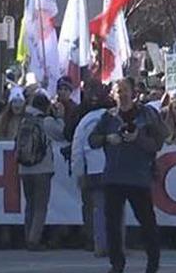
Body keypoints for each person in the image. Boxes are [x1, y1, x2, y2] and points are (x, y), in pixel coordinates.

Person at [89, 79, 168, 273]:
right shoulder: (108, 117)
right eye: (118, 91)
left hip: (139, 177)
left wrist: (138, 138)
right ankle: (117, 264)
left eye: (125, 91)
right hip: (114, 177)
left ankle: (153, 263)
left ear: (133, 93)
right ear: (113, 95)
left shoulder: (148, 114)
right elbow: (92, 140)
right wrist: (108, 138)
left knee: (147, 222)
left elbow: (158, 142)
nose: (122, 95)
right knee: (113, 225)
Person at [17, 92, 65, 250]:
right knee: (40, 206)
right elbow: (61, 133)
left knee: (29, 204)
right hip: (42, 167)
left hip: (24, 168)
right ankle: (34, 239)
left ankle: (26, 236)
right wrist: (59, 117)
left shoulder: (24, 120)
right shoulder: (47, 122)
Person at [72, 105, 109, 257]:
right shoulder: (111, 117)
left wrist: (79, 172)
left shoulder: (85, 121)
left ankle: (98, 244)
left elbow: (77, 149)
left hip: (93, 169)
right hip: (112, 168)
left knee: (96, 208)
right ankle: (114, 243)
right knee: (115, 209)